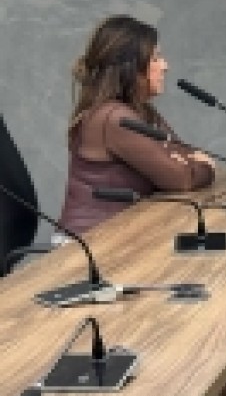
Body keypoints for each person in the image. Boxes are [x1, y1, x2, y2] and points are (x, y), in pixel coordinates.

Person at [57, 16, 216, 235]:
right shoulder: (113, 118)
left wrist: (181, 162)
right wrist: (206, 168)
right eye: (156, 58)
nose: (166, 66)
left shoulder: (139, 112)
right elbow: (182, 179)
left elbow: (183, 152)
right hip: (88, 243)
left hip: (121, 235)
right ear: (132, 67)